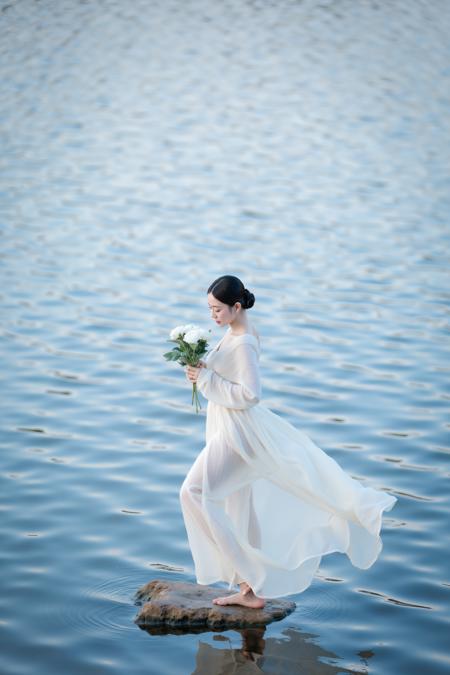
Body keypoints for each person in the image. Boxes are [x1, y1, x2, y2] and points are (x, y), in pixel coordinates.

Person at [180, 275, 397, 608]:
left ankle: (249, 577)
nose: (212, 316)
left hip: (238, 432)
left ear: (236, 307)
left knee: (195, 493)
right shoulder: (236, 333)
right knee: (238, 502)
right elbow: (229, 377)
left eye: (217, 309)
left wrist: (207, 379)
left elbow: (251, 394)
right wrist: (201, 368)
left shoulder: (244, 343)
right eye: (209, 309)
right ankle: (249, 590)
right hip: (229, 428)